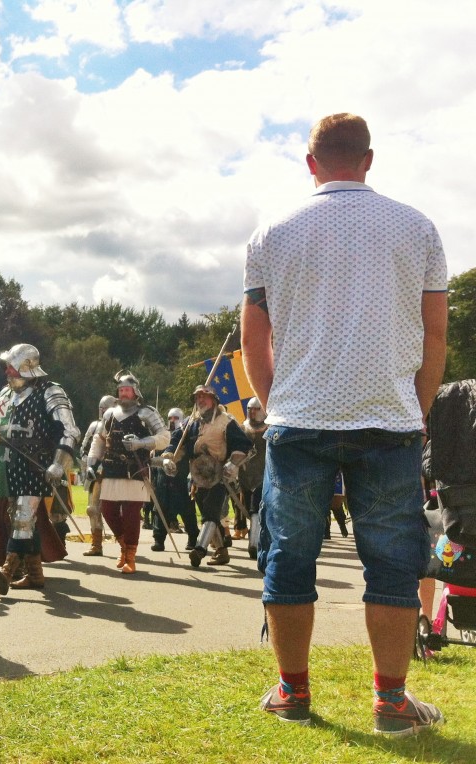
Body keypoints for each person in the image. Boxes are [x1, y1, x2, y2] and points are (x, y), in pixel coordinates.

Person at [242, 113, 448, 734]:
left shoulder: (270, 233)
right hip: (388, 416)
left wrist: (277, 403)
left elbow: (256, 339)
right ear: (368, 159)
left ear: (310, 163)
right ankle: (390, 701)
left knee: (290, 555)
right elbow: (434, 333)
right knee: (390, 560)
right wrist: (417, 404)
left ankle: (292, 692)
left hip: (299, 418)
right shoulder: (417, 228)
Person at [0, 343, 80, 595]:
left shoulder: (50, 392)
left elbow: (69, 431)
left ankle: (6, 571)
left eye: (11, 369)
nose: (7, 373)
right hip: (10, 467)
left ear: (25, 369)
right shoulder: (5, 395)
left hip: (36, 467)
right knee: (25, 521)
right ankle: (35, 575)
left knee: (22, 520)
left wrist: (59, 463)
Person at [87, 372, 169, 573]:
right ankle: (123, 546)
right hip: (111, 468)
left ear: (135, 392)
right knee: (107, 511)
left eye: (127, 390)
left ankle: (130, 556)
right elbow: (99, 439)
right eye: (121, 390)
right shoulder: (109, 414)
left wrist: (141, 443)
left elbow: (165, 436)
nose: (123, 393)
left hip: (135, 469)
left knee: (132, 515)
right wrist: (91, 463)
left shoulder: (147, 413)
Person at [162, 385, 251, 568]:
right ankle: (221, 551)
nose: (200, 400)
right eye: (198, 397)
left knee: (211, 509)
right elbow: (176, 441)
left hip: (220, 475)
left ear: (214, 400)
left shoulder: (226, 421)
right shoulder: (190, 423)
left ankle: (200, 549)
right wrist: (169, 456)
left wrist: (233, 463)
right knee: (207, 512)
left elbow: (243, 445)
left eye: (204, 397)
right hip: (199, 476)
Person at [150, 407, 198, 552]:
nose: (172, 421)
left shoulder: (186, 436)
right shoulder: (162, 436)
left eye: (175, 418)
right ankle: (159, 540)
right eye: (170, 418)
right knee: (160, 510)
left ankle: (193, 538)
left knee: (187, 511)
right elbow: (153, 458)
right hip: (162, 480)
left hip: (180, 480)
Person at [80, 394, 116, 556]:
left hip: (114, 472)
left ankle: (126, 544)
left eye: (106, 408)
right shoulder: (95, 425)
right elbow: (85, 448)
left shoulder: (119, 425)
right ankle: (96, 544)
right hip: (95, 473)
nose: (102, 411)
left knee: (116, 511)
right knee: (92, 509)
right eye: (101, 408)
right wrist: (88, 467)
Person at [237, 397, 267, 554]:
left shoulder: (269, 428)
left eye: (256, 409)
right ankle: (255, 536)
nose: (252, 412)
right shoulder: (242, 428)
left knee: (256, 508)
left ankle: (254, 544)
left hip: (263, 475)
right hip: (245, 475)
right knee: (248, 510)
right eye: (250, 409)